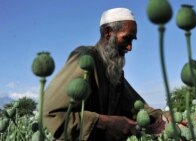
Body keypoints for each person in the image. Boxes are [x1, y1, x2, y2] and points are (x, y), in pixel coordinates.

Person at [43, 7, 169, 141]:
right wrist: (105, 123)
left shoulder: (114, 71)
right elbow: (51, 113)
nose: (130, 47)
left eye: (132, 41)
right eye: (126, 39)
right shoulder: (85, 58)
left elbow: (137, 107)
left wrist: (166, 118)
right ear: (108, 32)